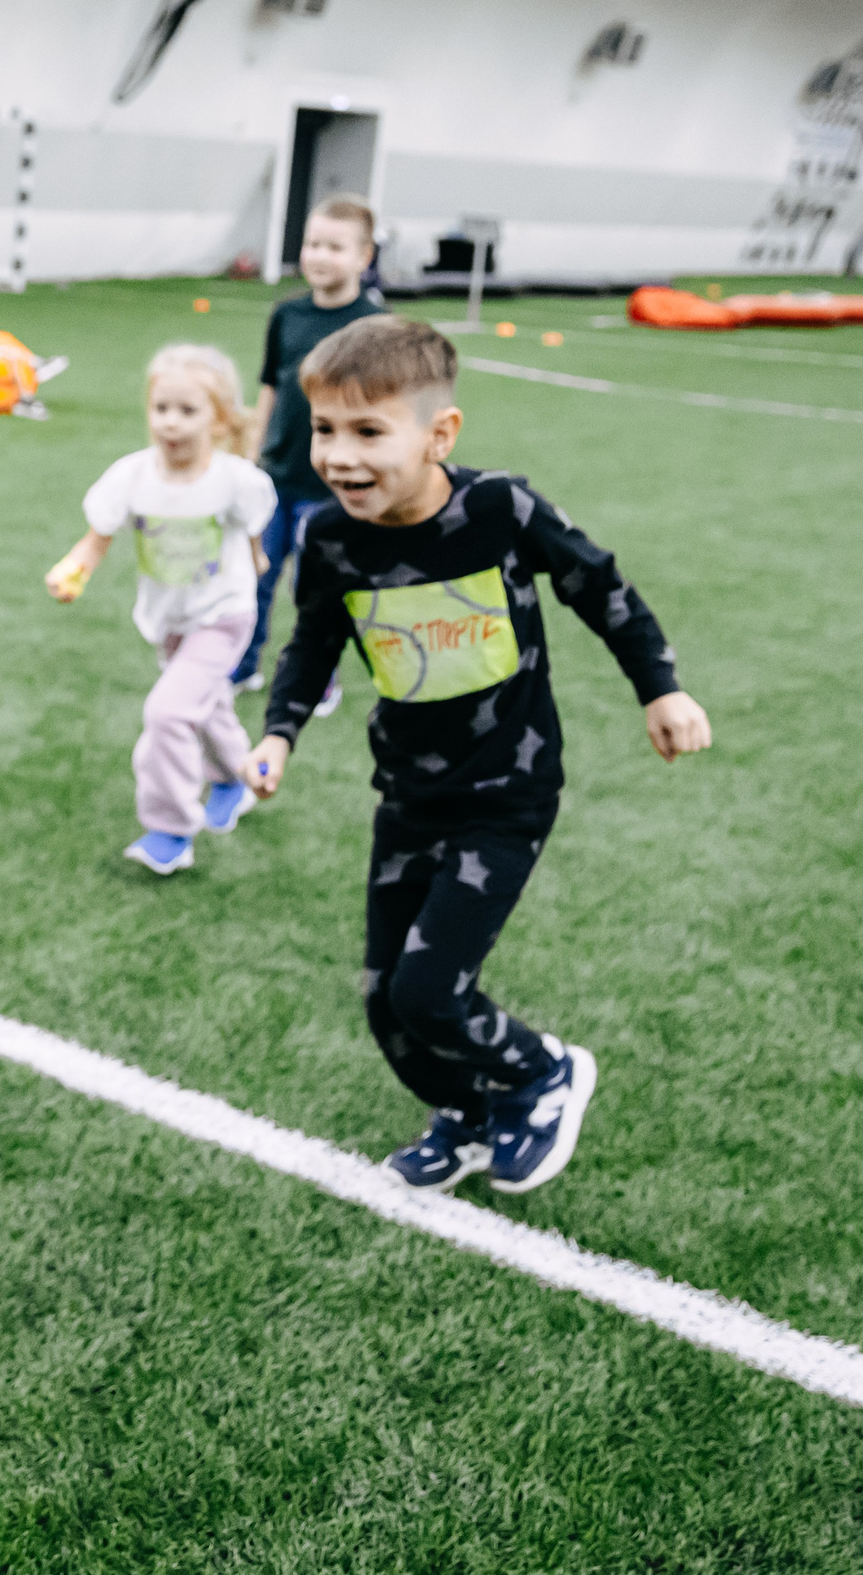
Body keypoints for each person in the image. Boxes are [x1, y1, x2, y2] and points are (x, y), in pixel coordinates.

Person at [246, 316, 711, 1196]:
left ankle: (544, 1072)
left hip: (507, 795)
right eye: (325, 429)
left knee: (429, 989)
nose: (339, 455)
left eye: (368, 431)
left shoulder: (500, 510)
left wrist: (661, 688)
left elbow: (599, 586)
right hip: (407, 797)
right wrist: (279, 732)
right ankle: (466, 1114)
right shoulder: (333, 540)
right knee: (386, 1003)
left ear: (440, 434)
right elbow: (312, 643)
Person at [45, 343, 275, 875]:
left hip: (224, 615)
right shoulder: (132, 476)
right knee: (204, 702)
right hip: (169, 620)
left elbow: (255, 536)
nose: (171, 422)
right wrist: (73, 570)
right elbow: (95, 541)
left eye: (187, 410)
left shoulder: (236, 480)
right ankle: (233, 778)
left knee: (168, 712)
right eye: (161, 408)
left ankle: (171, 827)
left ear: (219, 420)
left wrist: (258, 560)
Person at [233, 194, 389, 699]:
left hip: (334, 487)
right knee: (254, 577)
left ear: (364, 257)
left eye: (335, 247)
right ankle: (242, 667)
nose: (320, 256)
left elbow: (384, 412)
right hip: (275, 477)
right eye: (313, 244)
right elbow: (270, 388)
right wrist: (251, 455)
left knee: (318, 588)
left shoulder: (374, 327)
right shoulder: (287, 314)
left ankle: (318, 681)